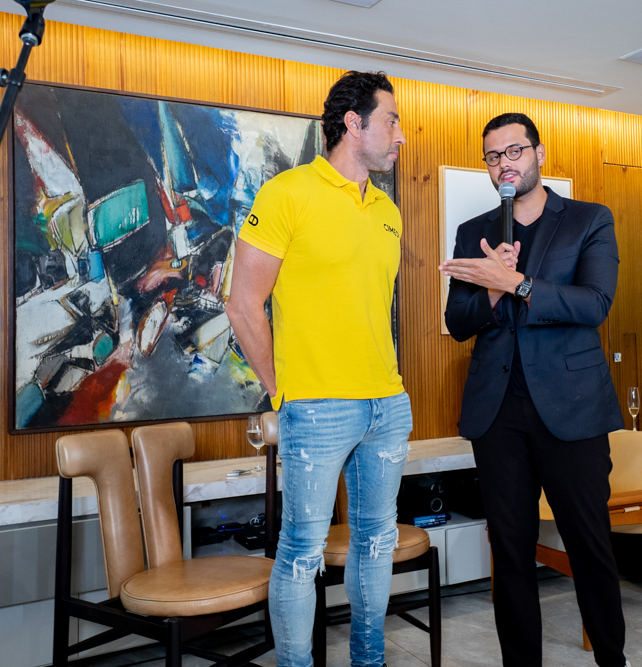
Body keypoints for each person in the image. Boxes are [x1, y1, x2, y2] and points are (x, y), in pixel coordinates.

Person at [227, 70, 410, 667]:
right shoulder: (287, 193)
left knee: (376, 541)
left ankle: (369, 659)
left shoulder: (388, 210)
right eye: (391, 120)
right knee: (302, 551)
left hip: (387, 404)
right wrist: (281, 392)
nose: (400, 135)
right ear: (353, 124)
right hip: (317, 407)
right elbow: (243, 305)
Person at [439, 113, 629, 667]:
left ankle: (612, 659)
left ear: (539, 153)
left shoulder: (588, 219)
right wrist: (492, 292)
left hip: (572, 408)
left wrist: (517, 283)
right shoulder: (473, 231)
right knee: (511, 551)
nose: (504, 163)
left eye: (514, 151)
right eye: (493, 156)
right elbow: (458, 322)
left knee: (589, 544)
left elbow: (594, 304)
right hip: (497, 414)